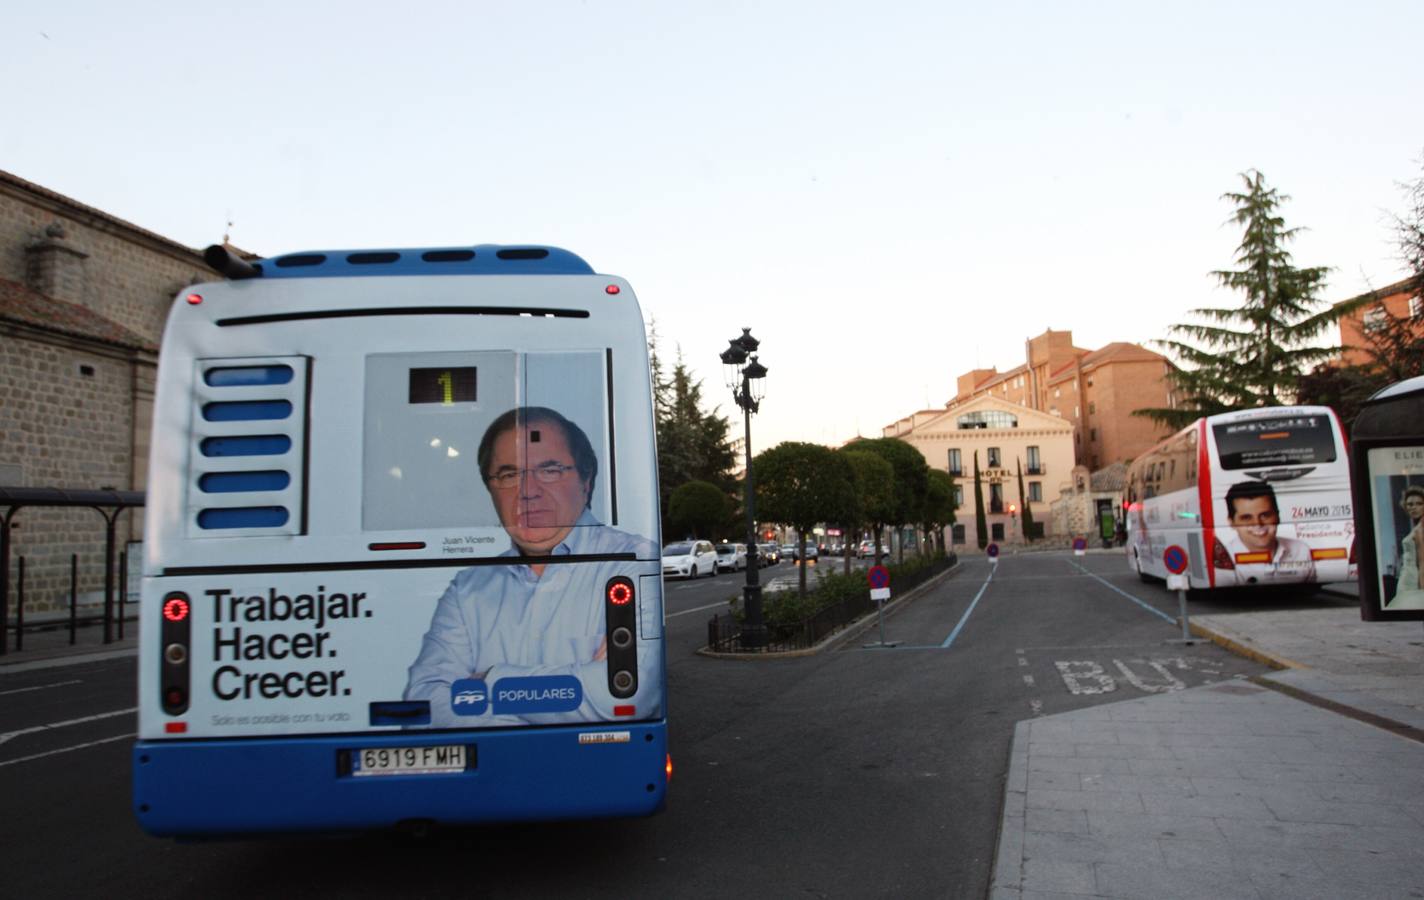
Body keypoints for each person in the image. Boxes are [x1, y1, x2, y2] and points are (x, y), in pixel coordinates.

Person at [405, 406, 658, 728]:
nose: (527, 492)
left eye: (549, 470)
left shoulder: (633, 563)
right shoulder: (467, 588)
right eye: (509, 475)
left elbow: (626, 697)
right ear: (490, 490)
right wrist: (571, 692)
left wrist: (488, 681)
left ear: (586, 481)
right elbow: (424, 702)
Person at [1215, 481, 1315, 586]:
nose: (1258, 524)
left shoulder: (1301, 550)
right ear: (1232, 522)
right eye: (1247, 518)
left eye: (1265, 515)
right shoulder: (1224, 559)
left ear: (1278, 516)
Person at [1387, 485, 1424, 609]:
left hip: (1413, 579)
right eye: (1410, 504)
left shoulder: (1420, 529)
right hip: (1407, 575)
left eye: (1419, 504)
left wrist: (1422, 589)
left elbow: (1422, 561)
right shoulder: (1417, 527)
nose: (1414, 507)